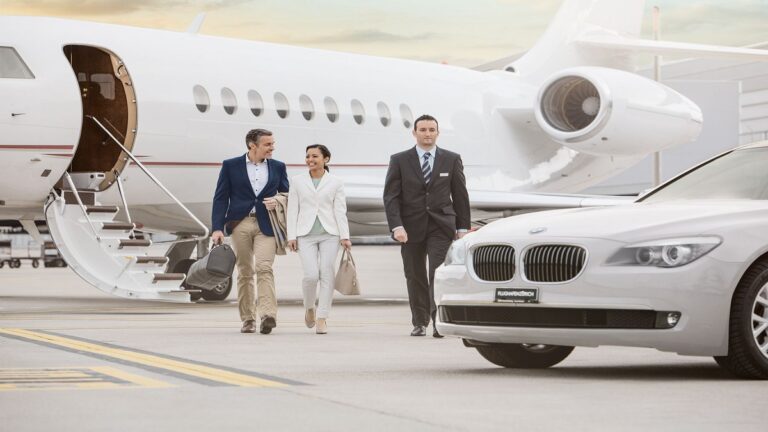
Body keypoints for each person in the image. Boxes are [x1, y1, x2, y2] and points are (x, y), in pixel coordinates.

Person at [383, 114, 471, 338]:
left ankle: (437, 321)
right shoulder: (400, 160)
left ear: (438, 133)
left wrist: (463, 227)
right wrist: (396, 226)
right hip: (409, 227)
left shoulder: (451, 159)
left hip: (441, 225)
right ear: (414, 133)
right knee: (414, 275)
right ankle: (419, 321)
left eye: (432, 129)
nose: (427, 134)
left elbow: (460, 195)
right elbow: (391, 197)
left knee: (437, 274)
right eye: (422, 130)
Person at [211, 128, 289, 335]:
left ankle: (268, 315)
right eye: (267, 144)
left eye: (273, 143)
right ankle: (247, 319)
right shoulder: (230, 166)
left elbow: (286, 193)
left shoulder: (279, 167)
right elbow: (220, 198)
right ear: (252, 145)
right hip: (240, 224)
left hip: (267, 224)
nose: (272, 147)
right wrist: (217, 228)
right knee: (245, 271)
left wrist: (279, 200)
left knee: (265, 268)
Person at [286, 144, 352, 335]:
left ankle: (322, 317)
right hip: (305, 234)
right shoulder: (297, 181)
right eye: (307, 156)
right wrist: (292, 236)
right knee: (310, 275)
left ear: (326, 159)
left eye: (315, 156)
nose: (310, 160)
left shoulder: (336, 182)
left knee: (326, 273)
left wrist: (345, 236)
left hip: (330, 234)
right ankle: (309, 307)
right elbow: (293, 210)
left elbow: (340, 210)